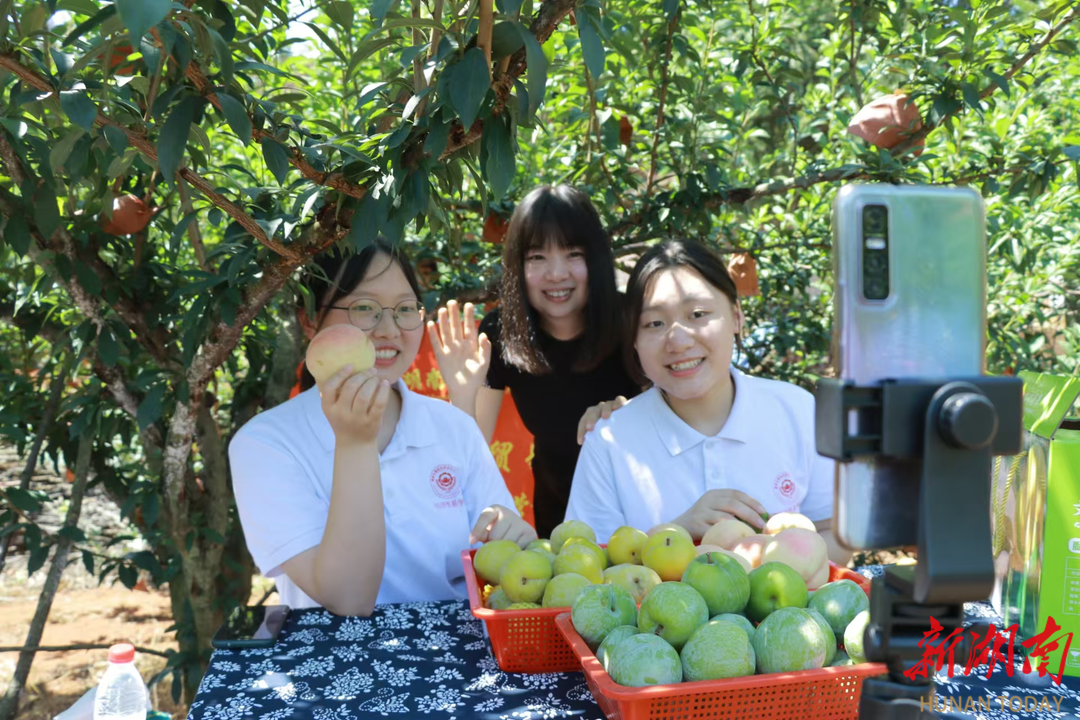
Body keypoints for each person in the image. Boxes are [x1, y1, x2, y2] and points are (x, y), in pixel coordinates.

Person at [229, 239, 535, 616]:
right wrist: (355, 442)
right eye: (364, 308)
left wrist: (518, 543)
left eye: (405, 309)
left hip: (460, 661)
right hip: (334, 664)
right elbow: (348, 599)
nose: (389, 329)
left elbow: (500, 557)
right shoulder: (266, 445)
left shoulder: (454, 426)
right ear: (309, 320)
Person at [564, 239, 849, 564]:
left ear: (737, 317)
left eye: (698, 314)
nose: (679, 340)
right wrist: (674, 535)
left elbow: (835, 533)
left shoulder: (797, 411)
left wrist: (770, 569)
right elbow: (586, 567)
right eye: (654, 323)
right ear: (634, 338)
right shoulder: (609, 441)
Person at [427, 185, 641, 539]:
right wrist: (461, 394)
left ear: (597, 259)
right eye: (537, 257)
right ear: (517, 265)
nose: (556, 274)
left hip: (638, 511)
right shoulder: (500, 331)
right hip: (556, 515)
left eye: (573, 254)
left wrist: (631, 410)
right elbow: (472, 449)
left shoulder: (632, 321)